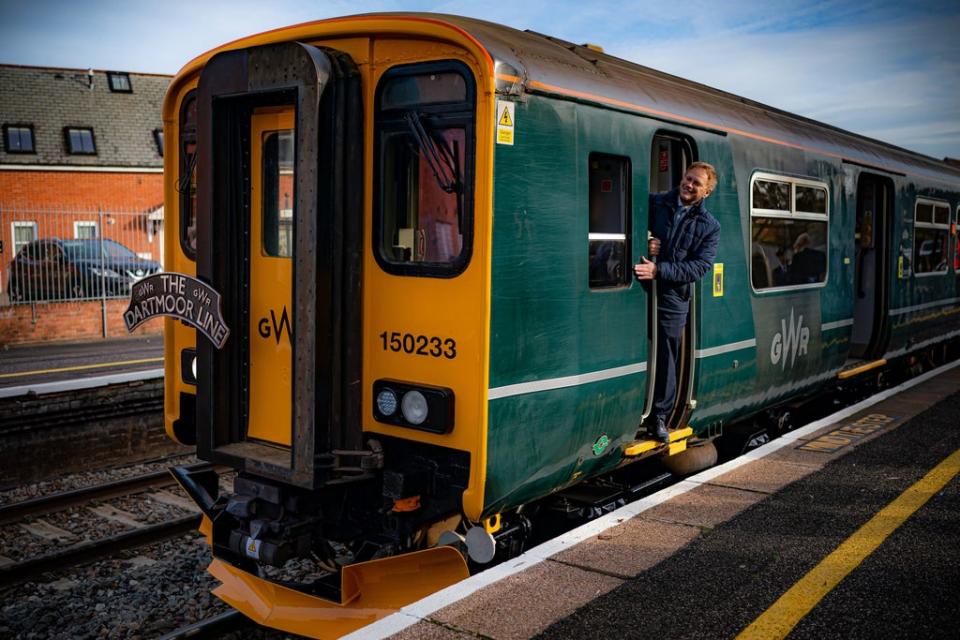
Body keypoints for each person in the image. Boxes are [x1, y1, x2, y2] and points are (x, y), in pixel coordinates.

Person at [633, 162, 721, 443]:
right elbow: (631, 226)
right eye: (687, 178)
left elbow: (699, 267)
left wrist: (660, 270)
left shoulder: (710, 227)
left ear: (706, 192)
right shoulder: (654, 203)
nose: (689, 185)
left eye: (697, 183)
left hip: (673, 298)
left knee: (666, 356)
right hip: (638, 289)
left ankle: (659, 417)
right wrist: (644, 241)